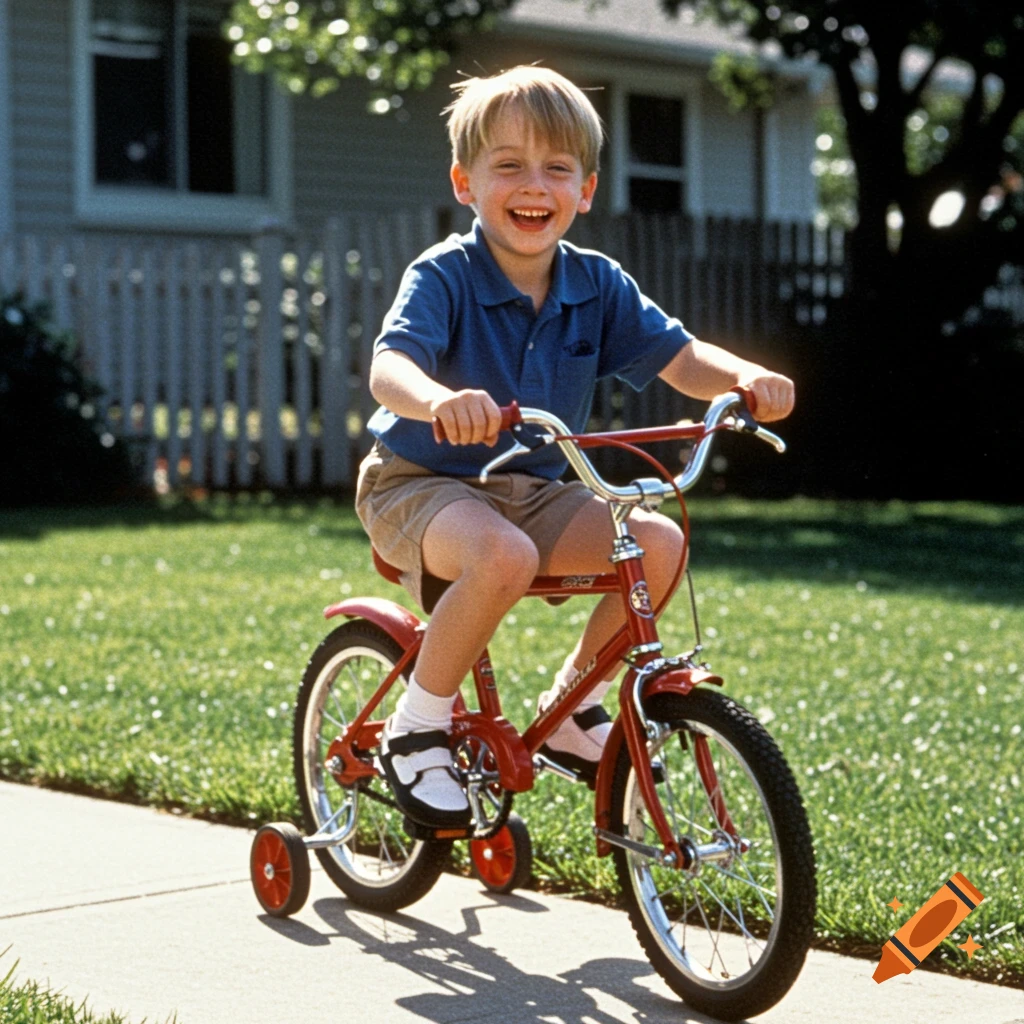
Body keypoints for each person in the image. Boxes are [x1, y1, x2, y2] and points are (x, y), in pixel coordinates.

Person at [356, 66, 794, 829]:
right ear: (466, 182)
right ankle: (417, 725)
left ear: (586, 190)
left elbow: (679, 357)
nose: (535, 185)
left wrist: (746, 375)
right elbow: (389, 368)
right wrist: (439, 400)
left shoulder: (597, 284)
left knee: (656, 541)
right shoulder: (444, 275)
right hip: (419, 481)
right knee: (503, 557)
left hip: (532, 488)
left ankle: (570, 708)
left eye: (557, 168)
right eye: (510, 166)